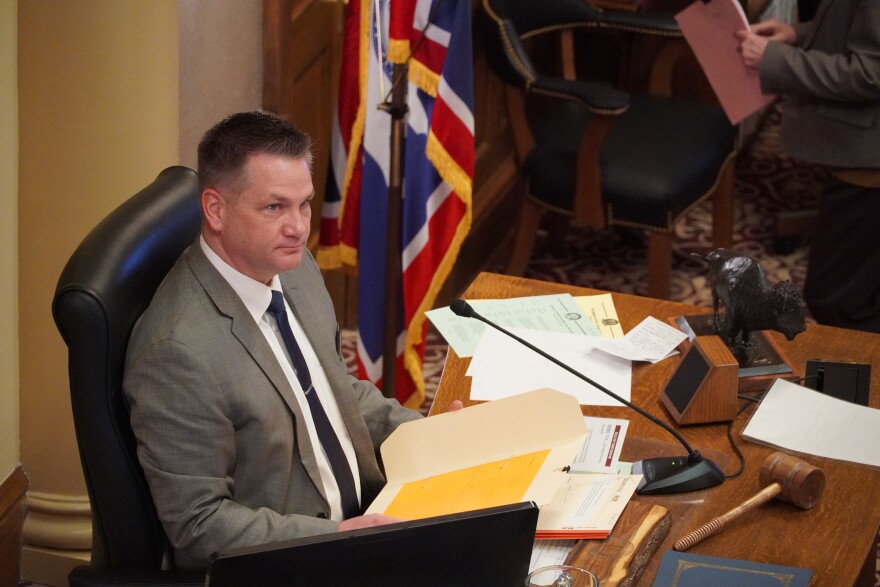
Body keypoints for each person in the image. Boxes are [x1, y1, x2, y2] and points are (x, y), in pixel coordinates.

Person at [124, 111, 457, 569]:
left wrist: (434, 435)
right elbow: (198, 526)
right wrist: (339, 536)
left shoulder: (291, 270)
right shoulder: (177, 352)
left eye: (304, 204)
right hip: (303, 559)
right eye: (275, 207)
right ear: (215, 210)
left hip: (372, 518)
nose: (299, 227)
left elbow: (337, 393)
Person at [736, 0, 880, 333]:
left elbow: (871, 74)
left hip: (868, 164)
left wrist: (775, 60)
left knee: (836, 298)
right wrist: (799, 34)